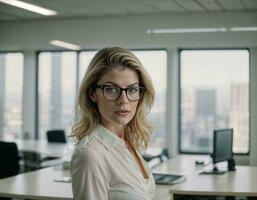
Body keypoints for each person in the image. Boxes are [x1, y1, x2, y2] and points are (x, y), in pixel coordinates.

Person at [70, 47, 155, 200]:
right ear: (92, 94)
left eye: (133, 89)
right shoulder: (90, 154)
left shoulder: (128, 142)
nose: (124, 100)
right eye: (111, 89)